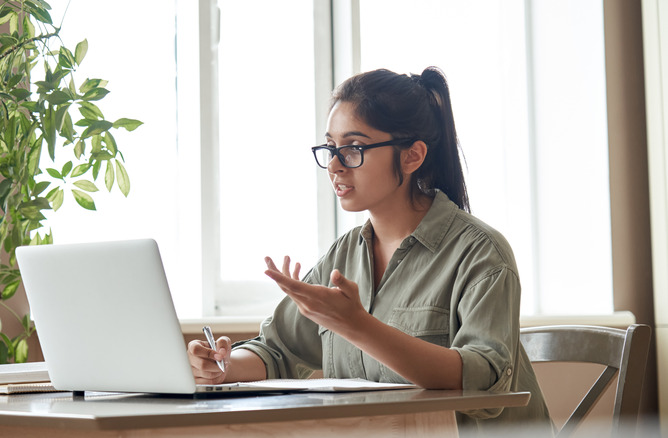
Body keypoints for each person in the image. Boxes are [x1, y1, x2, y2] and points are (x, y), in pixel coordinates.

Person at [187, 67, 553, 433]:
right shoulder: (343, 256)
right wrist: (224, 366)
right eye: (330, 148)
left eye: (353, 149)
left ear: (412, 156)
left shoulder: (482, 254)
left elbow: (485, 383)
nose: (334, 165)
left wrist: (358, 325)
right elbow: (277, 349)